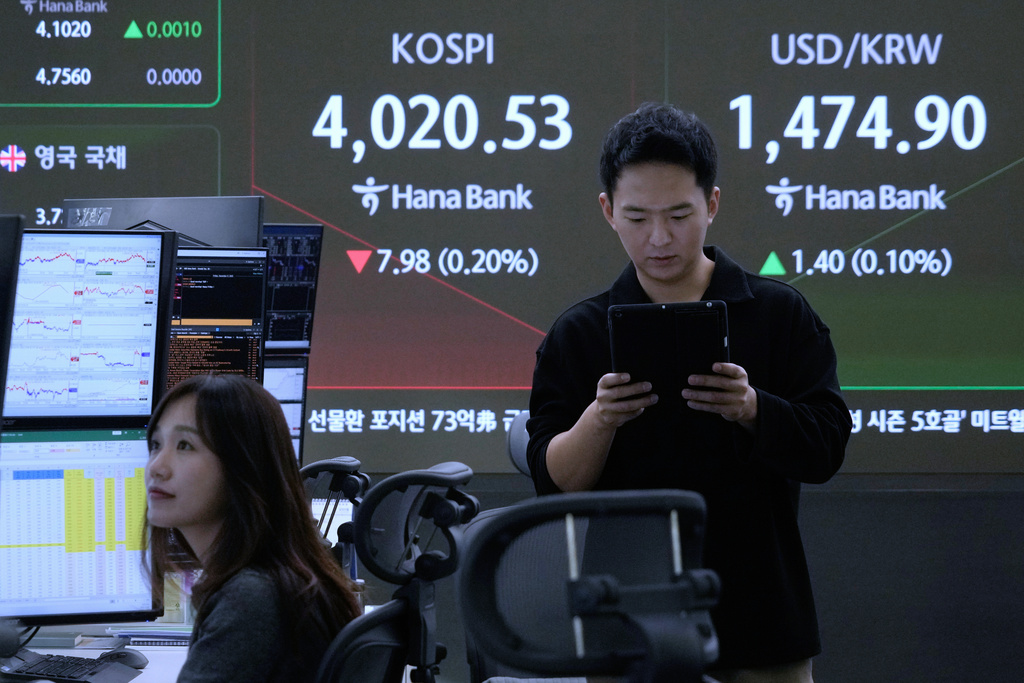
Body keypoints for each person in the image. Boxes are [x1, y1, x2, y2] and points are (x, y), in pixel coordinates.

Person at [527, 103, 852, 683]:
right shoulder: (578, 333)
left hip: (761, 618)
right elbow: (553, 482)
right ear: (607, 211)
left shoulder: (778, 314)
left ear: (713, 205)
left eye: (680, 215)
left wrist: (753, 409)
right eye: (637, 217)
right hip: (625, 621)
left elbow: (826, 448)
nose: (659, 238)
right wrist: (599, 420)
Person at [144, 373, 361, 682]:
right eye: (155, 444)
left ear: (243, 466)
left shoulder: (252, 598)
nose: (156, 466)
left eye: (184, 445)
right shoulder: (277, 579)